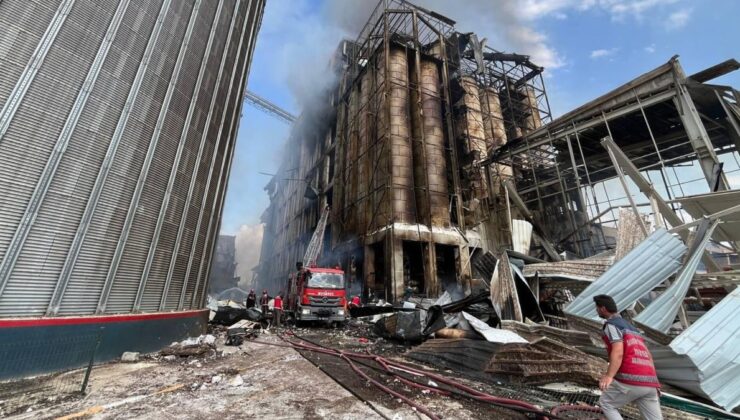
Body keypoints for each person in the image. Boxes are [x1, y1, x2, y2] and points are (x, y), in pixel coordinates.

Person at [594, 294, 662, 420]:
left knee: (607, 403)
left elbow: (618, 351)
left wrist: (609, 376)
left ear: (603, 308)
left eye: (597, 308)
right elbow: (648, 355)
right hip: (650, 382)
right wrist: (655, 382)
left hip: (631, 379)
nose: (596, 310)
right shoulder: (633, 328)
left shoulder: (611, 325)